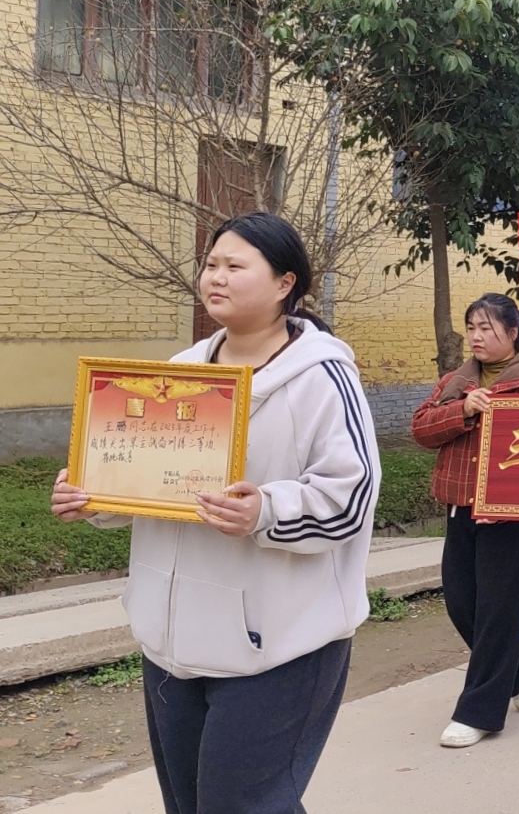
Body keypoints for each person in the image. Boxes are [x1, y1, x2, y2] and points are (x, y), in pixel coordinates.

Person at [51, 212, 380, 813]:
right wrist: (92, 494)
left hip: (279, 645)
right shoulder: (177, 375)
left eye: (234, 266)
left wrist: (267, 510)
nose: (215, 278)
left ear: (284, 283)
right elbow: (150, 485)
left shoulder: (322, 378)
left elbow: (351, 497)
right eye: (210, 265)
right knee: (189, 805)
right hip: (171, 644)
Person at [412, 293, 519, 748]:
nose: (475, 337)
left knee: (497, 612)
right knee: (462, 603)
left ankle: (478, 712)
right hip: (461, 505)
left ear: (512, 334)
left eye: (486, 328)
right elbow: (421, 429)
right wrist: (462, 409)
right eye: (472, 327)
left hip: (510, 517)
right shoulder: (456, 381)